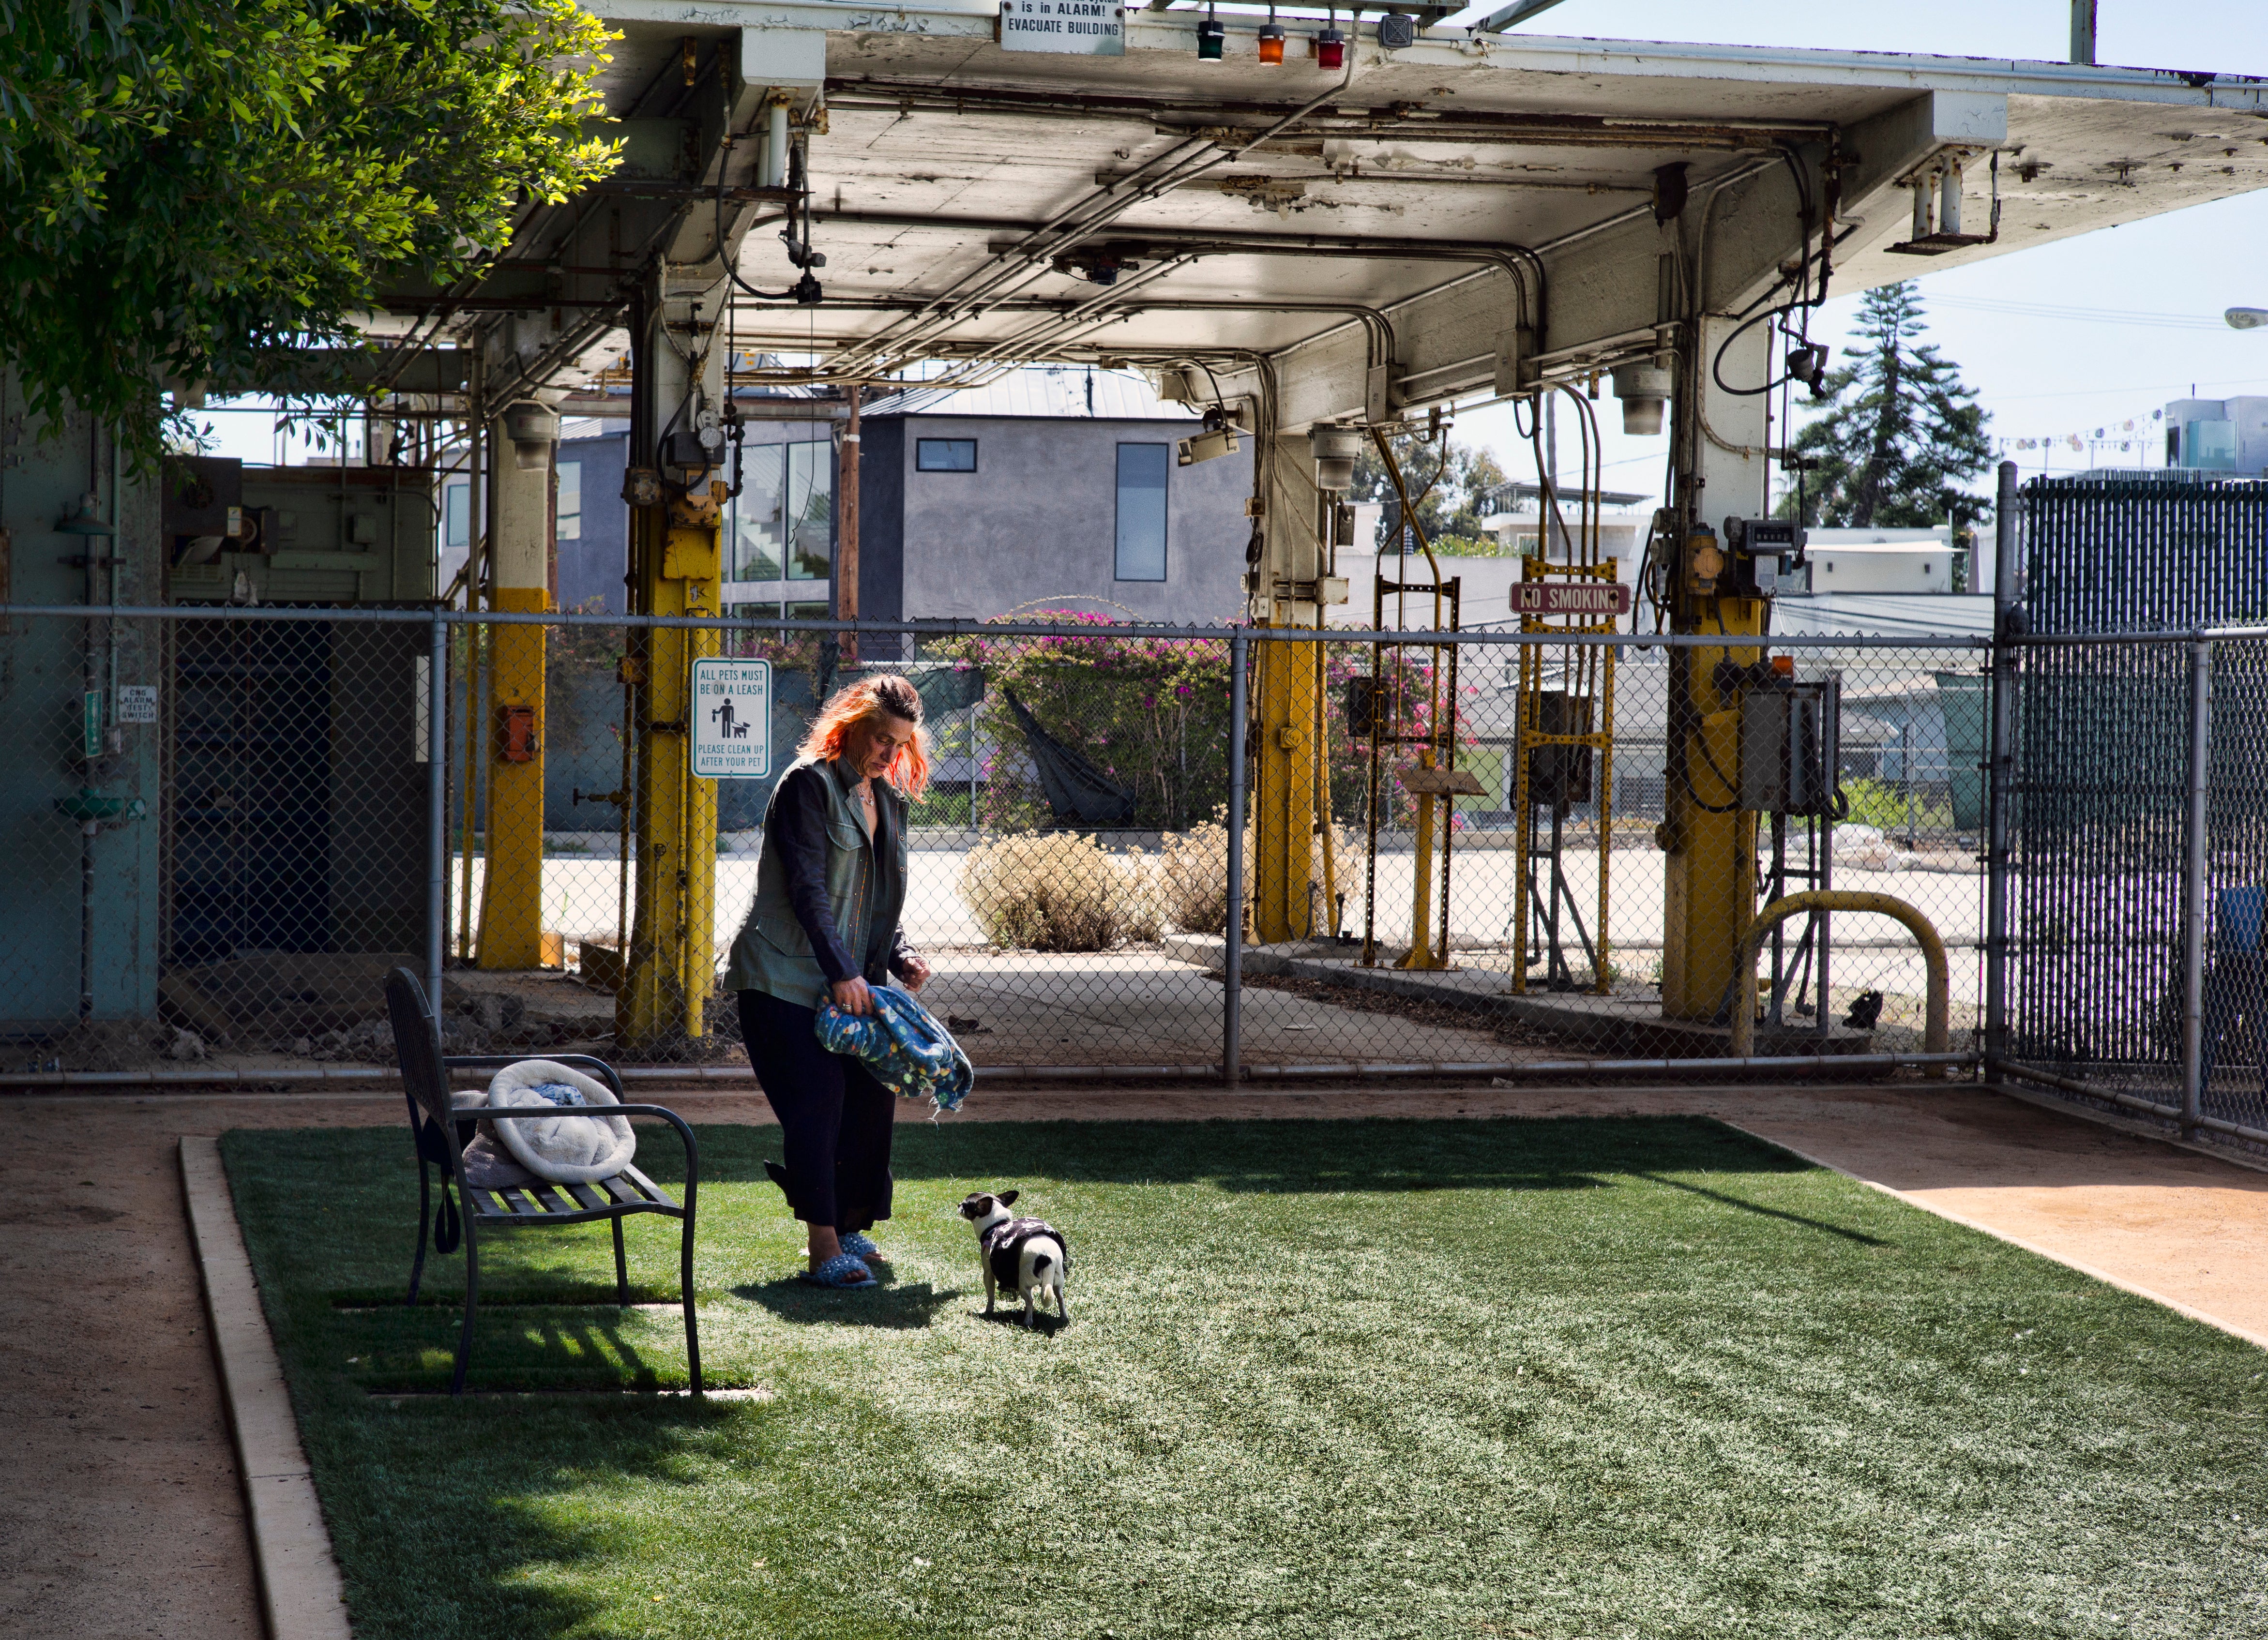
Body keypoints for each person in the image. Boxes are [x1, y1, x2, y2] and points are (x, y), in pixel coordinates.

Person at [726, 673, 934, 1288]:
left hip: (853, 982)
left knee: (873, 1094)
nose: (887, 752)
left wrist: (900, 954)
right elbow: (809, 890)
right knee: (818, 1100)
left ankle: (849, 1224)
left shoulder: (886, 799)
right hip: (783, 979)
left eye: (899, 744)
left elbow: (870, 902)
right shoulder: (806, 787)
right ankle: (823, 1248)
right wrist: (842, 970)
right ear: (851, 725)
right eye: (879, 737)